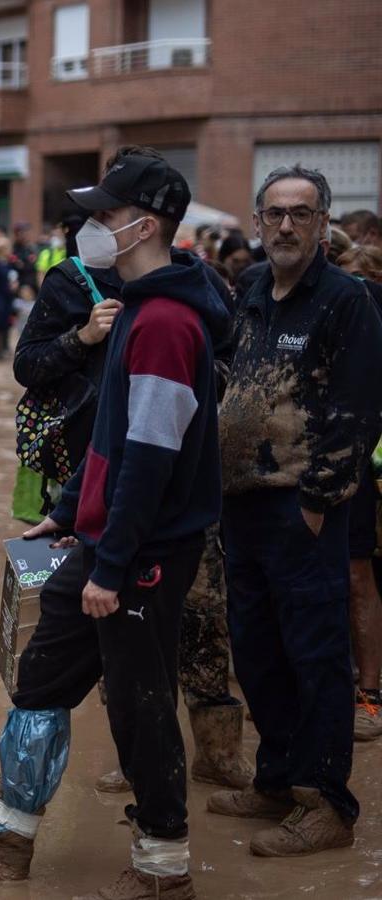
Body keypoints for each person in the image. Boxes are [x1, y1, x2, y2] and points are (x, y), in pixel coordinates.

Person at [0, 153, 230, 900]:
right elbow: (110, 441)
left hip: (142, 555)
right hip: (96, 540)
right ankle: (9, 835)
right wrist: (67, 514)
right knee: (43, 678)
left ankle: (163, 865)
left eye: (103, 216)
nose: (90, 230)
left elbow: (151, 460)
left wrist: (113, 564)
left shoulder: (163, 322)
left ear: (142, 226)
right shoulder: (132, 307)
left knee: (141, 703)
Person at [212, 165, 382, 856]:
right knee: (256, 654)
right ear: (257, 222)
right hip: (242, 508)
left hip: (303, 511)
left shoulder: (348, 301)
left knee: (314, 656)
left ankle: (329, 804)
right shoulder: (252, 288)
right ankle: (277, 778)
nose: (285, 225)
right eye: (275, 213)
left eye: (301, 213)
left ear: (321, 225)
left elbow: (359, 408)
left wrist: (317, 506)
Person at [339, 243, 382, 743]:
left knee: (357, 577)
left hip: (362, 464)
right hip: (334, 462)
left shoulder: (368, 302)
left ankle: (369, 695)